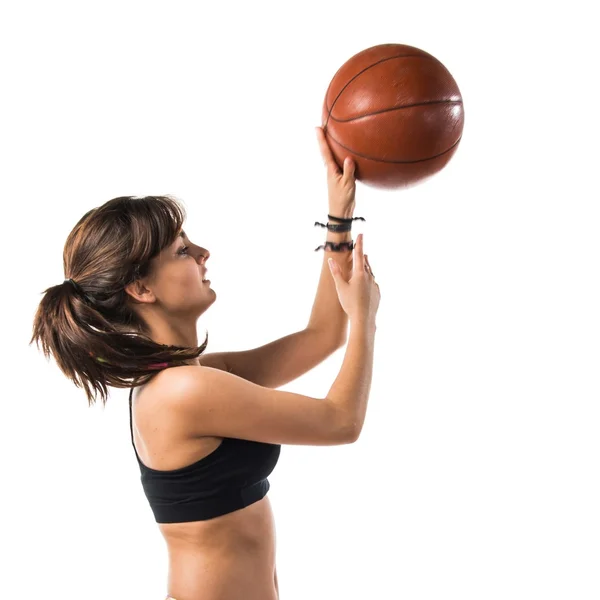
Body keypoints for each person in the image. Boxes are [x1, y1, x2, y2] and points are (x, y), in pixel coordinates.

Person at [30, 127, 381, 600]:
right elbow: (342, 423)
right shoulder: (185, 394)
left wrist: (337, 219)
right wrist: (366, 316)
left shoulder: (190, 379)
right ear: (141, 289)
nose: (202, 254)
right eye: (181, 250)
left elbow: (321, 337)